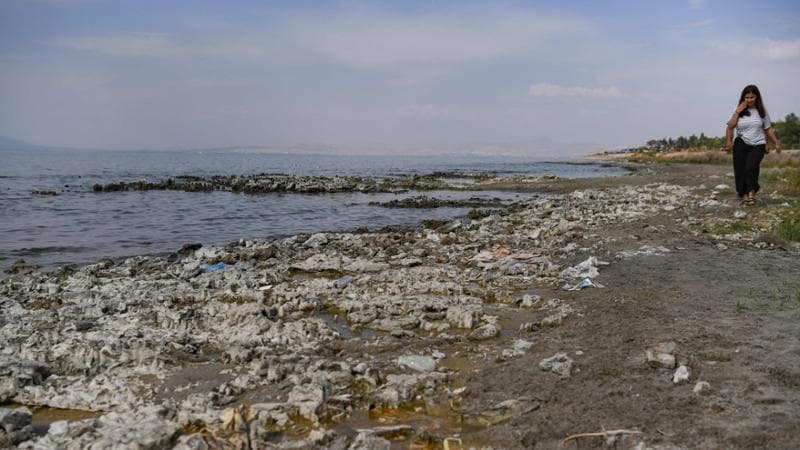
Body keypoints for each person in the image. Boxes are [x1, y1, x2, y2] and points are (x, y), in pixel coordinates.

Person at [725, 84, 781, 206]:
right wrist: (737, 112)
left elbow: (768, 129)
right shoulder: (739, 111)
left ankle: (752, 192)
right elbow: (730, 126)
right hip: (741, 143)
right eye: (746, 97)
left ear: (757, 97)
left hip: (758, 144)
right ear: (743, 98)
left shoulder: (762, 112)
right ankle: (744, 195)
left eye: (752, 97)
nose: (749, 100)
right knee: (740, 169)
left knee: (750, 167)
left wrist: (776, 143)